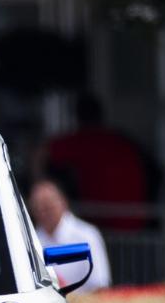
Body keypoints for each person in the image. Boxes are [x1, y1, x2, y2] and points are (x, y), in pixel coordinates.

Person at [44, 94, 148, 231]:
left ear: (78, 119)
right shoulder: (121, 140)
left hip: (109, 224)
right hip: (135, 223)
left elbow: (41, 153)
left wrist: (40, 186)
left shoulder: (84, 141)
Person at [29, 176, 111, 291]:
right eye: (38, 209)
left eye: (48, 207)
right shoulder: (31, 240)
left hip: (83, 301)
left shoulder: (87, 235)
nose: (43, 213)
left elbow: (100, 285)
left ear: (63, 202)